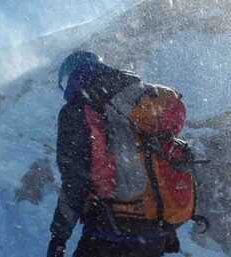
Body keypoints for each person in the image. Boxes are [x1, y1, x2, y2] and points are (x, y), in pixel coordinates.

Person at [47, 51, 191, 257]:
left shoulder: (78, 110)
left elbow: (75, 180)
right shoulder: (136, 97)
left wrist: (58, 237)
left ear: (71, 76)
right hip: (154, 231)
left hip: (111, 229)